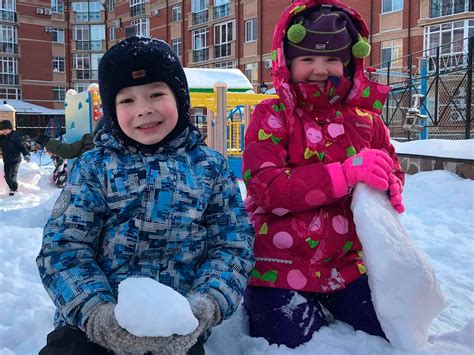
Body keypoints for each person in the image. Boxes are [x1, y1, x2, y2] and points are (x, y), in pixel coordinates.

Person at [36, 36, 255, 355]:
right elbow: (63, 249)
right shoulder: (95, 168)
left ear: (179, 98)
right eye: (127, 101)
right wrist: (98, 316)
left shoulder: (210, 168)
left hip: (178, 326)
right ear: (112, 110)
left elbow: (232, 245)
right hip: (95, 325)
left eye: (156, 94)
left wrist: (205, 306)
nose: (144, 109)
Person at [242, 0, 405, 348]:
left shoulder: (366, 120)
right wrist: (343, 175)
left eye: (332, 59)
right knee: (295, 344)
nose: (320, 69)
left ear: (349, 62)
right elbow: (265, 188)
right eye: (308, 59)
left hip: (346, 265)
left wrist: (389, 186)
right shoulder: (273, 116)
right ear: (287, 62)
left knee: (388, 332)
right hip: (278, 265)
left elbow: (390, 169)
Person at [0, 119, 31, 196]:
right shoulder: (2, 138)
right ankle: (11, 187)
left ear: (10, 129)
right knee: (6, 176)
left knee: (12, 174)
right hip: (6, 160)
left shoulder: (15, 136)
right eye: (2, 130)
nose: (4, 131)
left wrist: (26, 154)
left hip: (15, 159)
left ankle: (14, 189)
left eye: (6, 130)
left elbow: (21, 146)